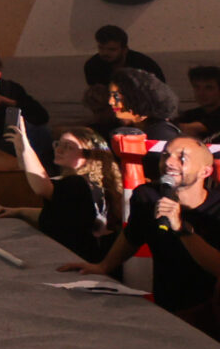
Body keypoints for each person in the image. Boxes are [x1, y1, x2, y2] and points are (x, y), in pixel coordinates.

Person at [65, 135, 220, 330]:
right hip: (168, 306)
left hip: (210, 313)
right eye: (166, 155)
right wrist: (104, 266)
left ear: (205, 171)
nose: (169, 162)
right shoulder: (147, 197)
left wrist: (181, 230)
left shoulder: (216, 209)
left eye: (182, 158)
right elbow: (132, 236)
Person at [29, 127, 123, 264]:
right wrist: (20, 211)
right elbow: (61, 212)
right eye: (58, 144)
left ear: (89, 154)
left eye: (68, 147)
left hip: (82, 261)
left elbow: (41, 189)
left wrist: (24, 146)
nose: (59, 150)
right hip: (99, 256)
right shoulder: (98, 182)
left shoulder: (76, 184)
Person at [82, 25, 164, 131]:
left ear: (124, 49)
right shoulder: (93, 65)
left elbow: (158, 96)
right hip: (110, 110)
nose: (105, 53)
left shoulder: (144, 65)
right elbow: (97, 95)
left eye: (112, 49)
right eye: (101, 48)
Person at [176, 65, 220, 140]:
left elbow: (193, 128)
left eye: (208, 88)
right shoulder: (189, 115)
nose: (201, 93)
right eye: (197, 87)